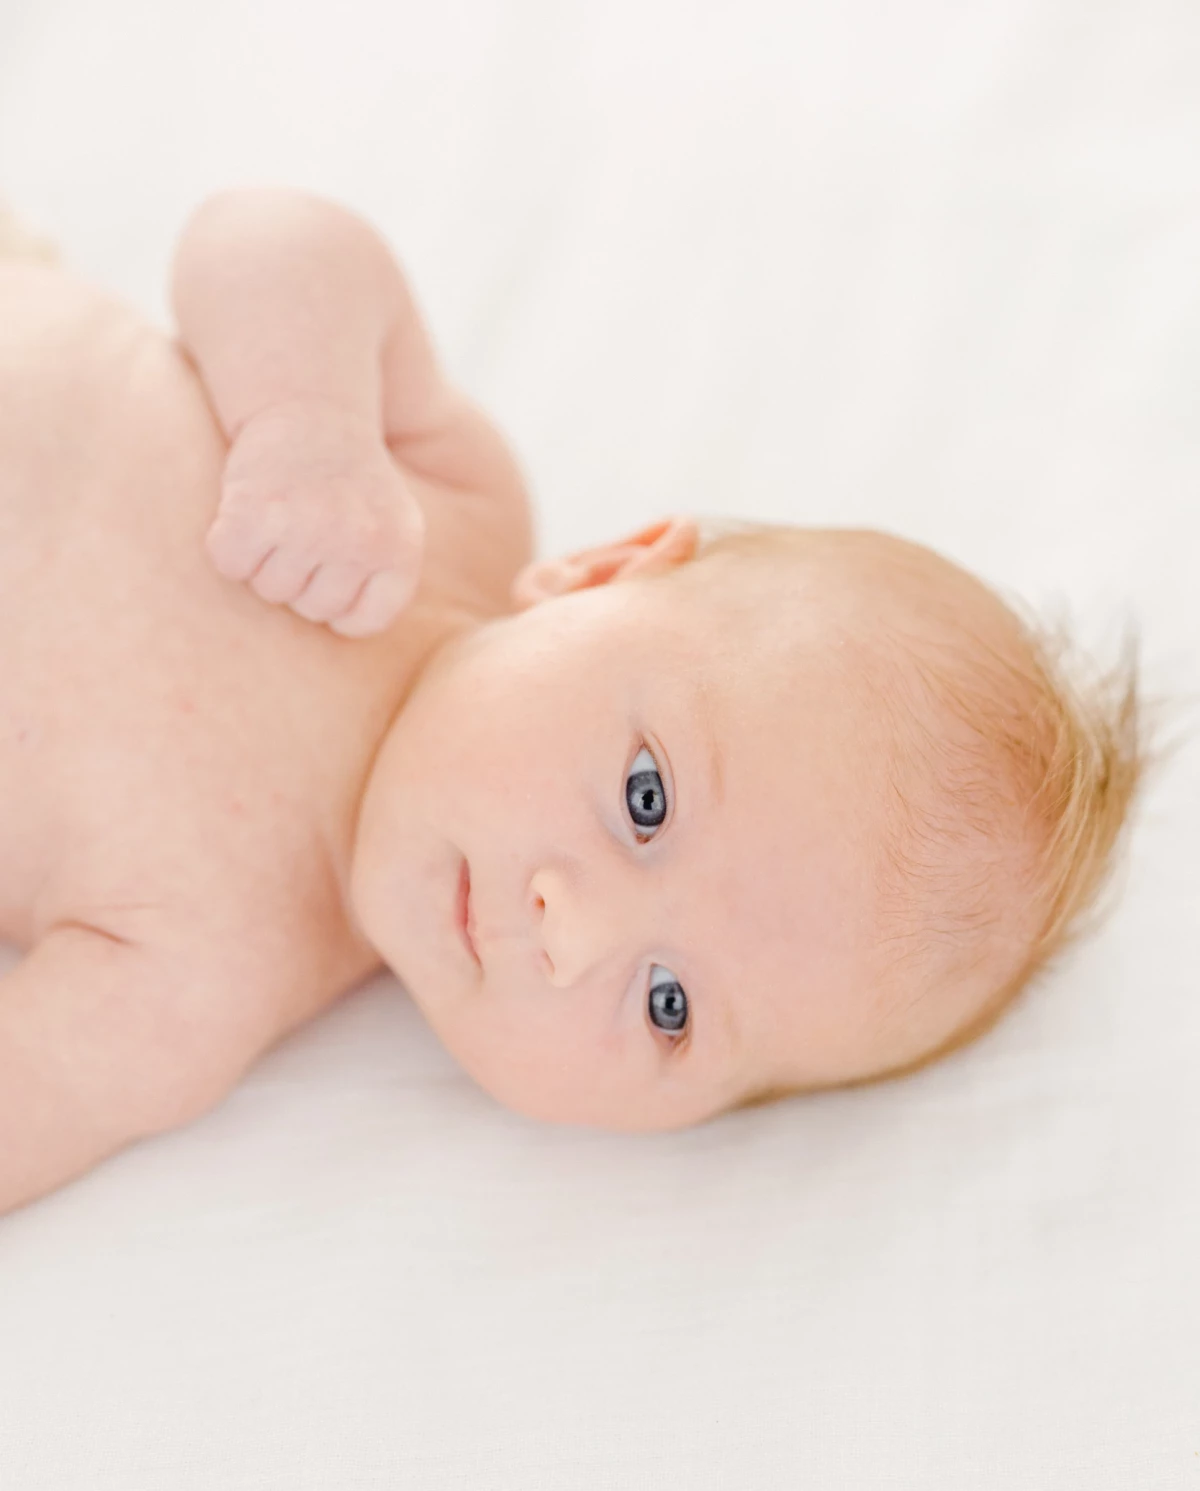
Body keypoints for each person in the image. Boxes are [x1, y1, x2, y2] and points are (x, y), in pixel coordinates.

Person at [0, 188, 1143, 1211]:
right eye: (647, 798)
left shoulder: (184, 999)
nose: (569, 931)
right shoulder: (445, 509)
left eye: (669, 1009)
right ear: (604, 573)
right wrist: (306, 422)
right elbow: (259, 236)